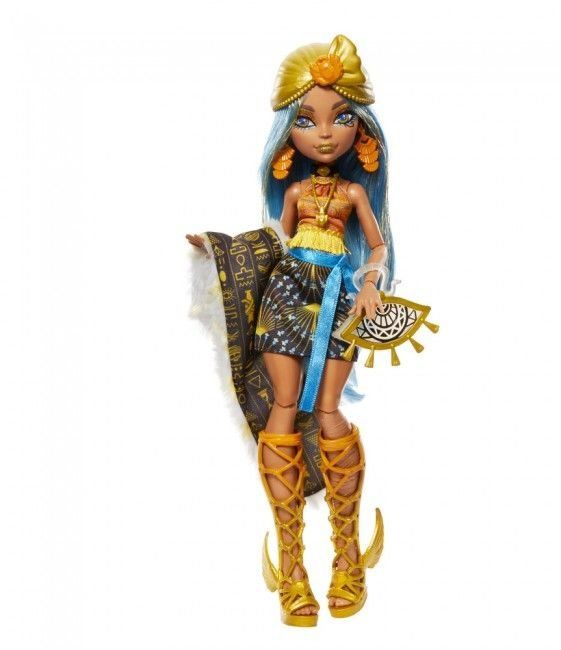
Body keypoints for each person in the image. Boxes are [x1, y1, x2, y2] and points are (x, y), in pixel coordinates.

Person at [187, 34, 394, 626]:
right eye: (306, 120)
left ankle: (347, 556)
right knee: (284, 404)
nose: (324, 134)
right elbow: (275, 237)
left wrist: (371, 281)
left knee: (328, 409)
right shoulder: (297, 191)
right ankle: (293, 564)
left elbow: (377, 245)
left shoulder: (354, 192)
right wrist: (220, 249)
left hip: (339, 295)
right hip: (288, 289)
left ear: (362, 131)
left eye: (340, 118)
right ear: (287, 135)